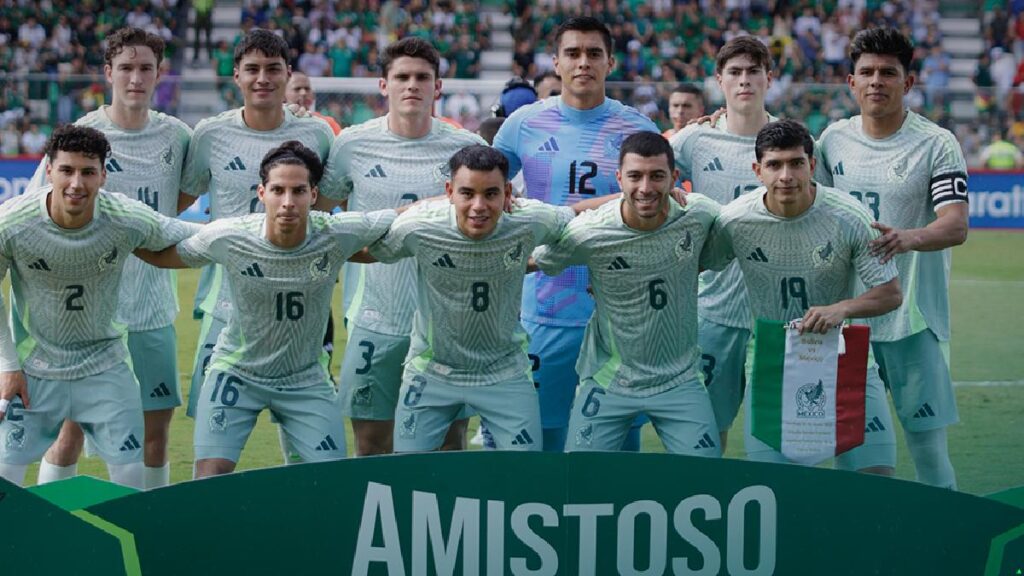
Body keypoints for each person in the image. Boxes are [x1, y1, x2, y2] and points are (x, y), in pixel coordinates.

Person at [136, 142, 396, 477]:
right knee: (209, 478)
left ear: (314, 195)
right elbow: (162, 255)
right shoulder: (230, 236)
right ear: (262, 192)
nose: (288, 202)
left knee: (334, 483)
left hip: (305, 379)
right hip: (238, 373)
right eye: (278, 190)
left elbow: (400, 218)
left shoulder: (338, 232)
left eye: (298, 191)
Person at [26, 28, 193, 490]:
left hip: (152, 308)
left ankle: (152, 527)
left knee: (156, 430)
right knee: (71, 431)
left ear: (160, 73)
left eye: (145, 68)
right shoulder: (82, 134)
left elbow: (179, 201)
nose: (135, 77)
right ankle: (56, 524)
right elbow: (36, 205)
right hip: (89, 315)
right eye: (126, 67)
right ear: (108, 73)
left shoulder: (177, 136)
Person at [368, 145, 611, 452]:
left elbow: (583, 216)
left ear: (508, 192)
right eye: (467, 193)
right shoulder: (419, 224)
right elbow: (363, 249)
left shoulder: (531, 219)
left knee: (525, 477)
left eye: (491, 194)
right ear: (449, 191)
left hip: (504, 372)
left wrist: (646, 196)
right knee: (407, 474)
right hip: (432, 372)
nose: (478, 206)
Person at [492, 16, 659, 452]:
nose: (583, 62)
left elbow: (660, 203)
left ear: (610, 62)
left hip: (617, 314)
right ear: (556, 62)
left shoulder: (637, 129)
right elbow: (484, 196)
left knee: (617, 446)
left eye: (593, 53)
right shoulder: (524, 124)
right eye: (573, 53)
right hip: (543, 306)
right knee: (542, 439)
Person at [0, 125, 198, 488]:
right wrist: (8, 366)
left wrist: (256, 232)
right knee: (5, 478)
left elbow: (184, 234)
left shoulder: (125, 217)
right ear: (49, 171)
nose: (77, 183)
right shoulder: (12, 223)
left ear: (104, 175)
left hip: (106, 366)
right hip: (34, 369)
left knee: (130, 482)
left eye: (88, 172)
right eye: (67, 170)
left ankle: (135, 544)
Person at [815, 28, 969, 489]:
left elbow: (956, 225)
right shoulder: (832, 141)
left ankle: (943, 550)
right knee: (853, 454)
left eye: (888, 72)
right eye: (867, 72)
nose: (876, 81)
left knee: (928, 451)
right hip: (850, 321)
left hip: (912, 321)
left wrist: (907, 238)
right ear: (851, 82)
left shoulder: (936, 143)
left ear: (909, 82)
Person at [317, 37, 485, 456]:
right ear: (383, 85)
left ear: (438, 87)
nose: (412, 85)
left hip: (447, 322)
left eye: (422, 77)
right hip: (375, 317)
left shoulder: (468, 149)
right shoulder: (351, 145)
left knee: (449, 441)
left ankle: (445, 522)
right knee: (372, 442)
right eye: (402, 77)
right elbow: (320, 215)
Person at [710, 119, 901, 473]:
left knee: (878, 485)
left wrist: (843, 308)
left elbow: (890, 293)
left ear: (812, 165)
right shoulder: (734, 221)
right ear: (757, 170)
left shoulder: (849, 216)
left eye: (796, 163)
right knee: (776, 493)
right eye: (774, 165)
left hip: (845, 359)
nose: (786, 176)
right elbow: (690, 259)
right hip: (771, 363)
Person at [182, 29, 335, 435]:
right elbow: (178, 199)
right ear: (236, 76)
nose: (262, 78)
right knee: (212, 424)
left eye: (272, 69)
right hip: (227, 300)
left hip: (299, 297)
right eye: (252, 69)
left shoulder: (317, 134)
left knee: (302, 423)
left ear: (288, 74)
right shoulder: (210, 135)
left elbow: (325, 209)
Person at [533, 132, 722, 455]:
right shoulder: (590, 230)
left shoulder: (699, 214)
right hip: (609, 379)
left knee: (709, 481)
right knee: (577, 481)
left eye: (657, 176)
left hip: (680, 379)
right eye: (635, 176)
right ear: (619, 178)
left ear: (675, 178)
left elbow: (723, 246)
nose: (645, 188)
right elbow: (532, 261)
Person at [669, 36, 777, 452]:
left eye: (753, 71)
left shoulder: (792, 141)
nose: (744, 80)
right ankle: (709, 505)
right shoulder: (695, 141)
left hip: (775, 315)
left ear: (770, 78)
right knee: (708, 431)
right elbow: (642, 167)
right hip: (713, 309)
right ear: (719, 80)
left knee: (774, 435)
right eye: (735, 72)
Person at [285, 71, 343, 135]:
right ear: (283, 95)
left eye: (307, 89)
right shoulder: (277, 124)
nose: (303, 93)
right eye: (297, 89)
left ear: (313, 95)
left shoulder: (327, 123)